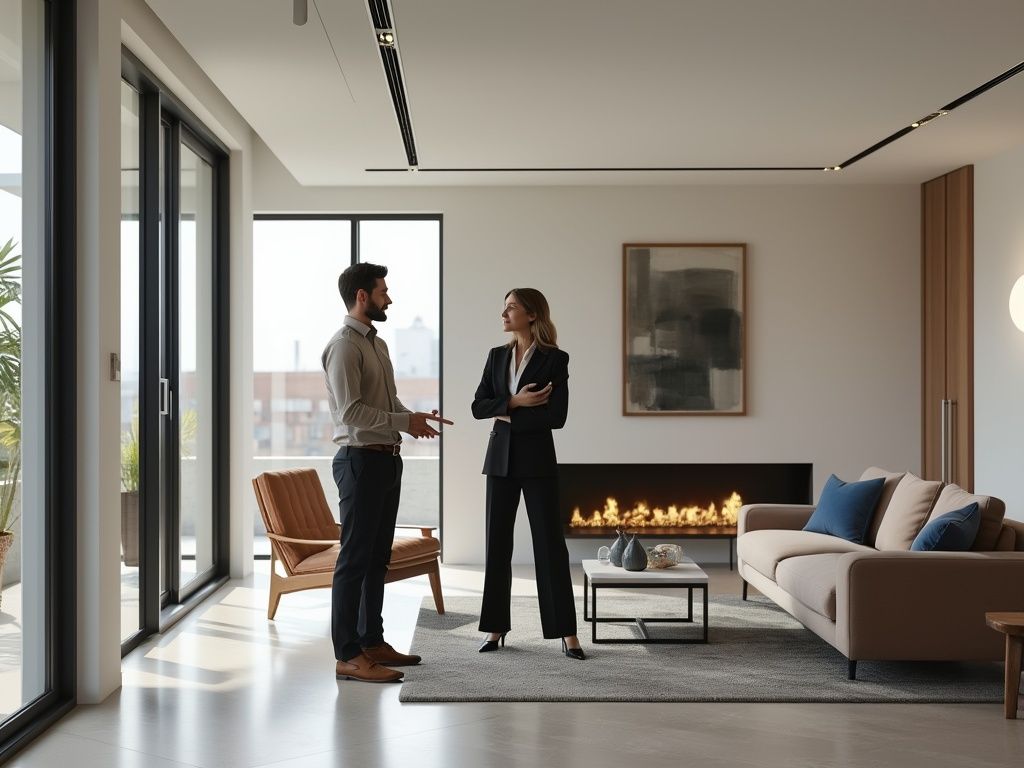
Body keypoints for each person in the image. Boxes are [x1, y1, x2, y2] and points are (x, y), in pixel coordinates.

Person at [323, 262, 453, 683]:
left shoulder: (376, 344)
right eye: (382, 292)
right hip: (359, 461)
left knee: (376, 557)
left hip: (386, 460)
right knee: (354, 560)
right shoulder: (345, 346)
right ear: (362, 296)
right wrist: (404, 422)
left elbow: (388, 400)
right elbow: (351, 412)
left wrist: (413, 418)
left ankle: (371, 641)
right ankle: (347, 654)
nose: (388, 298)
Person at [471, 288, 585, 660]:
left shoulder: (555, 359)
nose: (504, 313)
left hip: (537, 462)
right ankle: (495, 628)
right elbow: (477, 406)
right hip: (500, 462)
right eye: (503, 307)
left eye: (511, 307)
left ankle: (567, 633)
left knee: (550, 546)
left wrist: (504, 413)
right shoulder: (495, 356)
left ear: (532, 314)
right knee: (496, 547)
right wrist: (516, 402)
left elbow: (558, 417)